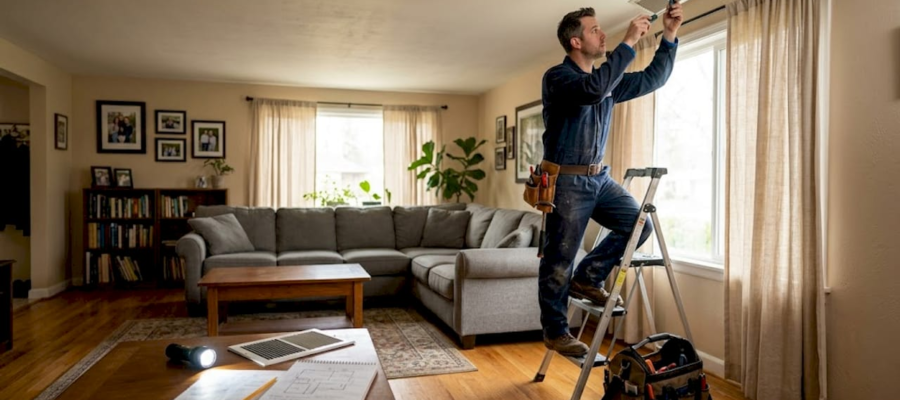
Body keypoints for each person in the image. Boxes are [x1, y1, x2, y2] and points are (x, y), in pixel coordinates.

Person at [537, 4, 683, 357]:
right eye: (594, 30)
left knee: (638, 225)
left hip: (598, 179)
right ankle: (555, 331)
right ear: (575, 41)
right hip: (567, 183)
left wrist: (669, 35)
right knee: (558, 261)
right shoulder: (558, 78)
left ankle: (589, 277)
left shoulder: (608, 83)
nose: (603, 34)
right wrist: (630, 40)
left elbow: (654, 78)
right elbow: (592, 89)